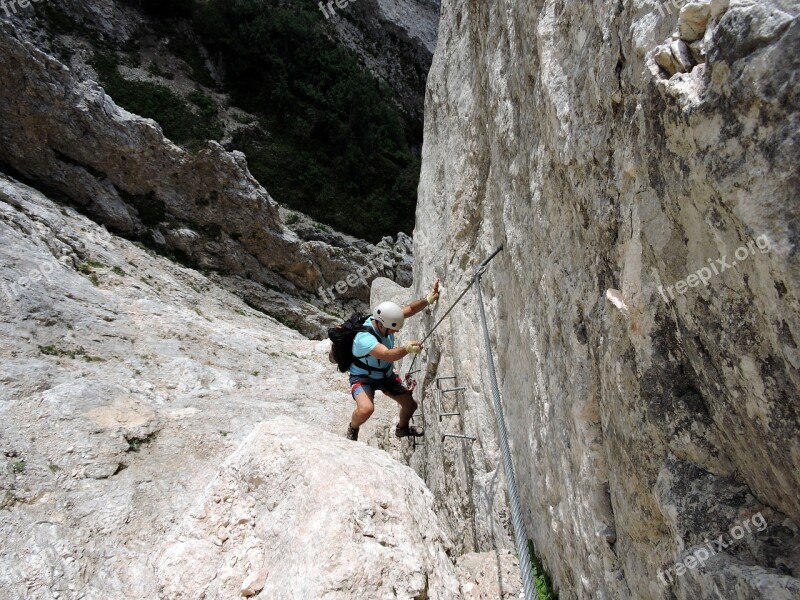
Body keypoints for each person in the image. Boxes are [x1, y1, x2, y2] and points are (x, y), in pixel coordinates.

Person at [346, 280, 440, 441]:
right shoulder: (364, 338)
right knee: (366, 409)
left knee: (411, 405)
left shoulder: (386, 319)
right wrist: (406, 349)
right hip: (363, 378)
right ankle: (352, 428)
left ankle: (402, 429)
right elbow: (387, 355)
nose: (395, 332)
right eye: (393, 329)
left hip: (385, 375)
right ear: (382, 325)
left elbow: (409, 309)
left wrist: (427, 300)